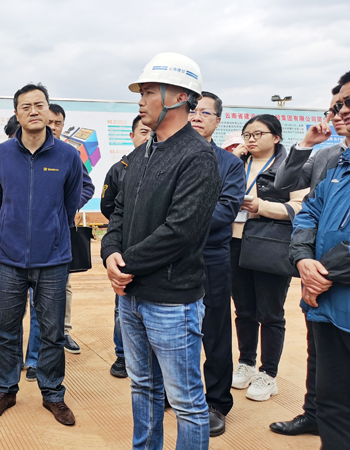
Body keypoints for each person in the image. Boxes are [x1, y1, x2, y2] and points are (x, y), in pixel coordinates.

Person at [101, 52, 220, 450]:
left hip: (172, 301)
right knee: (143, 388)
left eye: (149, 92)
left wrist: (126, 265)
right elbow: (118, 211)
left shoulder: (197, 156)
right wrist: (110, 253)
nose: (141, 101)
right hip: (131, 295)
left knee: (186, 402)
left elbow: (181, 230)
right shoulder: (140, 154)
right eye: (142, 92)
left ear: (180, 96)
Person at [0, 83, 82, 426]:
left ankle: (53, 393)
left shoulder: (68, 156)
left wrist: (50, 229)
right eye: (26, 106)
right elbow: (0, 198)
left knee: (52, 332)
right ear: (16, 114)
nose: (33, 111)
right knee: (6, 330)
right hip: (9, 258)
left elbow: (70, 203)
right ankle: (5, 390)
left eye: (39, 105)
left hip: (53, 259)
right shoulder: (1, 154)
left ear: (49, 110)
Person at [270, 82, 349, 437]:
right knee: (320, 357)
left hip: (329, 279)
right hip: (316, 282)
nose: (339, 113)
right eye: (334, 108)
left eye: (345, 104)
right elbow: (286, 186)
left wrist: (324, 272)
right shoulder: (329, 156)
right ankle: (314, 413)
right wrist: (306, 144)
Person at [230, 114, 308, 402]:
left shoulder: (291, 167)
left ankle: (268, 374)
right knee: (243, 310)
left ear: (276, 137)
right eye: (247, 134)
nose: (251, 139)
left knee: (271, 313)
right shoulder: (237, 164)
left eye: (258, 134)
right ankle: (246, 363)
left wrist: (261, 206)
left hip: (270, 245)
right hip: (234, 243)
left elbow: (301, 206)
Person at [23, 103, 94, 379]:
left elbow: (86, 186)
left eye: (58, 123)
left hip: (58, 240)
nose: (53, 127)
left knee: (54, 297)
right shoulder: (22, 151)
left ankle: (47, 351)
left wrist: (65, 208)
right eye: (49, 121)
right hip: (25, 242)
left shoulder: (68, 154)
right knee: (29, 303)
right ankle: (30, 358)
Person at [189, 91, 245, 436]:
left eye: (205, 112)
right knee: (171, 331)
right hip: (169, 258)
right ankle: (178, 392)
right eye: (192, 110)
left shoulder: (229, 164)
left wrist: (178, 225)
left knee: (215, 331)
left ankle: (217, 402)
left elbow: (226, 210)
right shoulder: (164, 154)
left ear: (217, 121)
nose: (197, 116)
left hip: (210, 256)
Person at [100, 114, 150, 378]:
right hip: (126, 247)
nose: (148, 137)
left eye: (152, 132)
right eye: (143, 132)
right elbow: (108, 206)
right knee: (123, 302)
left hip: (157, 248)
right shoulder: (119, 169)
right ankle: (122, 355)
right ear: (131, 136)